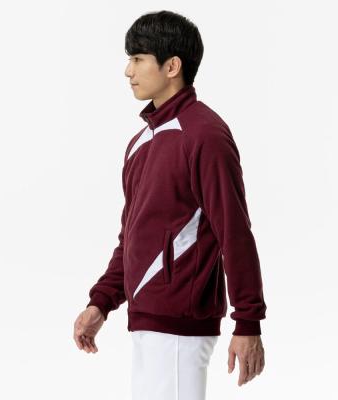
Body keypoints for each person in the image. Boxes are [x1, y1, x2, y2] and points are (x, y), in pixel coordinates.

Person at [73, 10, 267, 400]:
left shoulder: (205, 135)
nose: (128, 71)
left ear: (172, 66)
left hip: (181, 325)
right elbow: (131, 236)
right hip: (147, 321)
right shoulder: (141, 143)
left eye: (138, 58)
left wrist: (247, 322)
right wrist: (101, 302)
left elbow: (234, 231)